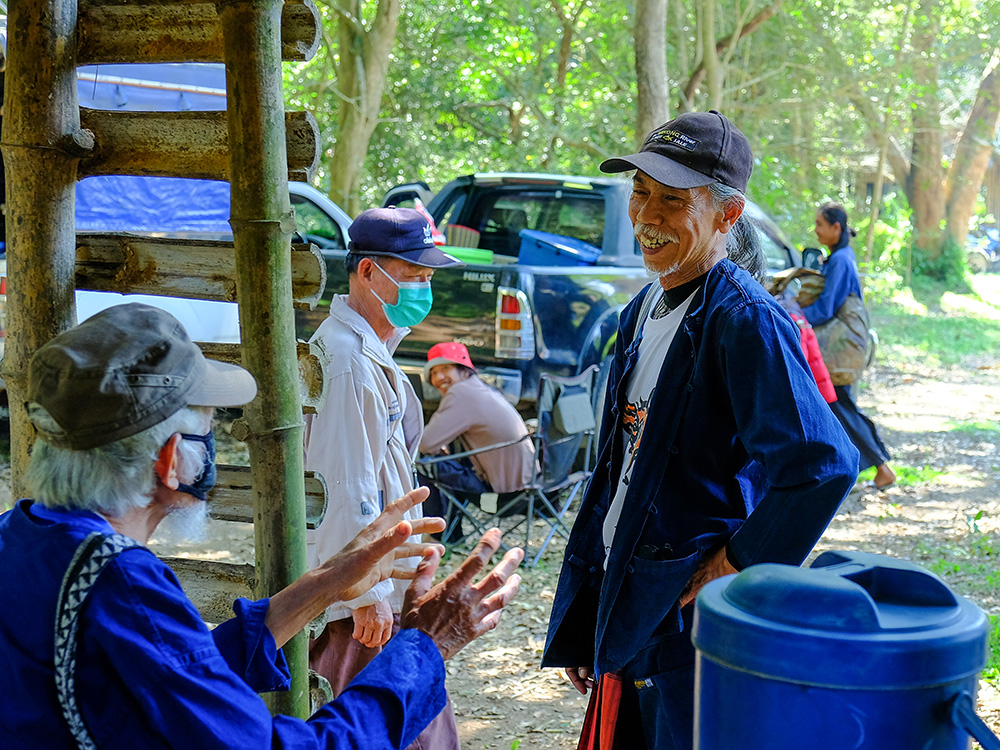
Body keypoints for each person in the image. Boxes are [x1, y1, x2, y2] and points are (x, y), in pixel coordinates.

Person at [0, 303, 523, 749]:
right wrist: (425, 646)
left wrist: (329, 580)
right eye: (209, 429)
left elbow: (180, 674)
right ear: (171, 461)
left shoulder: (19, 536)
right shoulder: (121, 583)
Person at [541, 111, 859, 750]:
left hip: (689, 624)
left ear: (727, 215)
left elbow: (822, 466)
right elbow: (622, 473)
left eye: (673, 200)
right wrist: (592, 613)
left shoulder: (745, 321)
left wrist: (739, 560)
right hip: (632, 603)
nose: (647, 215)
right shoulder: (643, 310)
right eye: (641, 192)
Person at [303, 207, 465, 749]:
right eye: (414, 275)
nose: (424, 287)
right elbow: (345, 482)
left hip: (381, 581)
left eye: (428, 277)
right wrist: (364, 591)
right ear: (368, 272)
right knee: (389, 726)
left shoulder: (370, 349)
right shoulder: (347, 358)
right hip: (363, 599)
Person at [802, 201, 896, 490]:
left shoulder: (841, 260)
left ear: (836, 227)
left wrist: (790, 314)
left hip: (838, 350)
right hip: (839, 348)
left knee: (840, 404)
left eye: (820, 224)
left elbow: (826, 308)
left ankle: (881, 467)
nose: (815, 230)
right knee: (840, 405)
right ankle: (873, 468)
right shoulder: (839, 257)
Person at [416, 342, 536, 538]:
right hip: (528, 487)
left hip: (504, 495)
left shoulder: (460, 393)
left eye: (445, 368)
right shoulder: (482, 389)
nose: (438, 378)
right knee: (450, 456)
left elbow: (425, 444)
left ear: (464, 369)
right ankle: (449, 531)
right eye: (433, 373)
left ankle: (438, 534)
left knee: (420, 462)